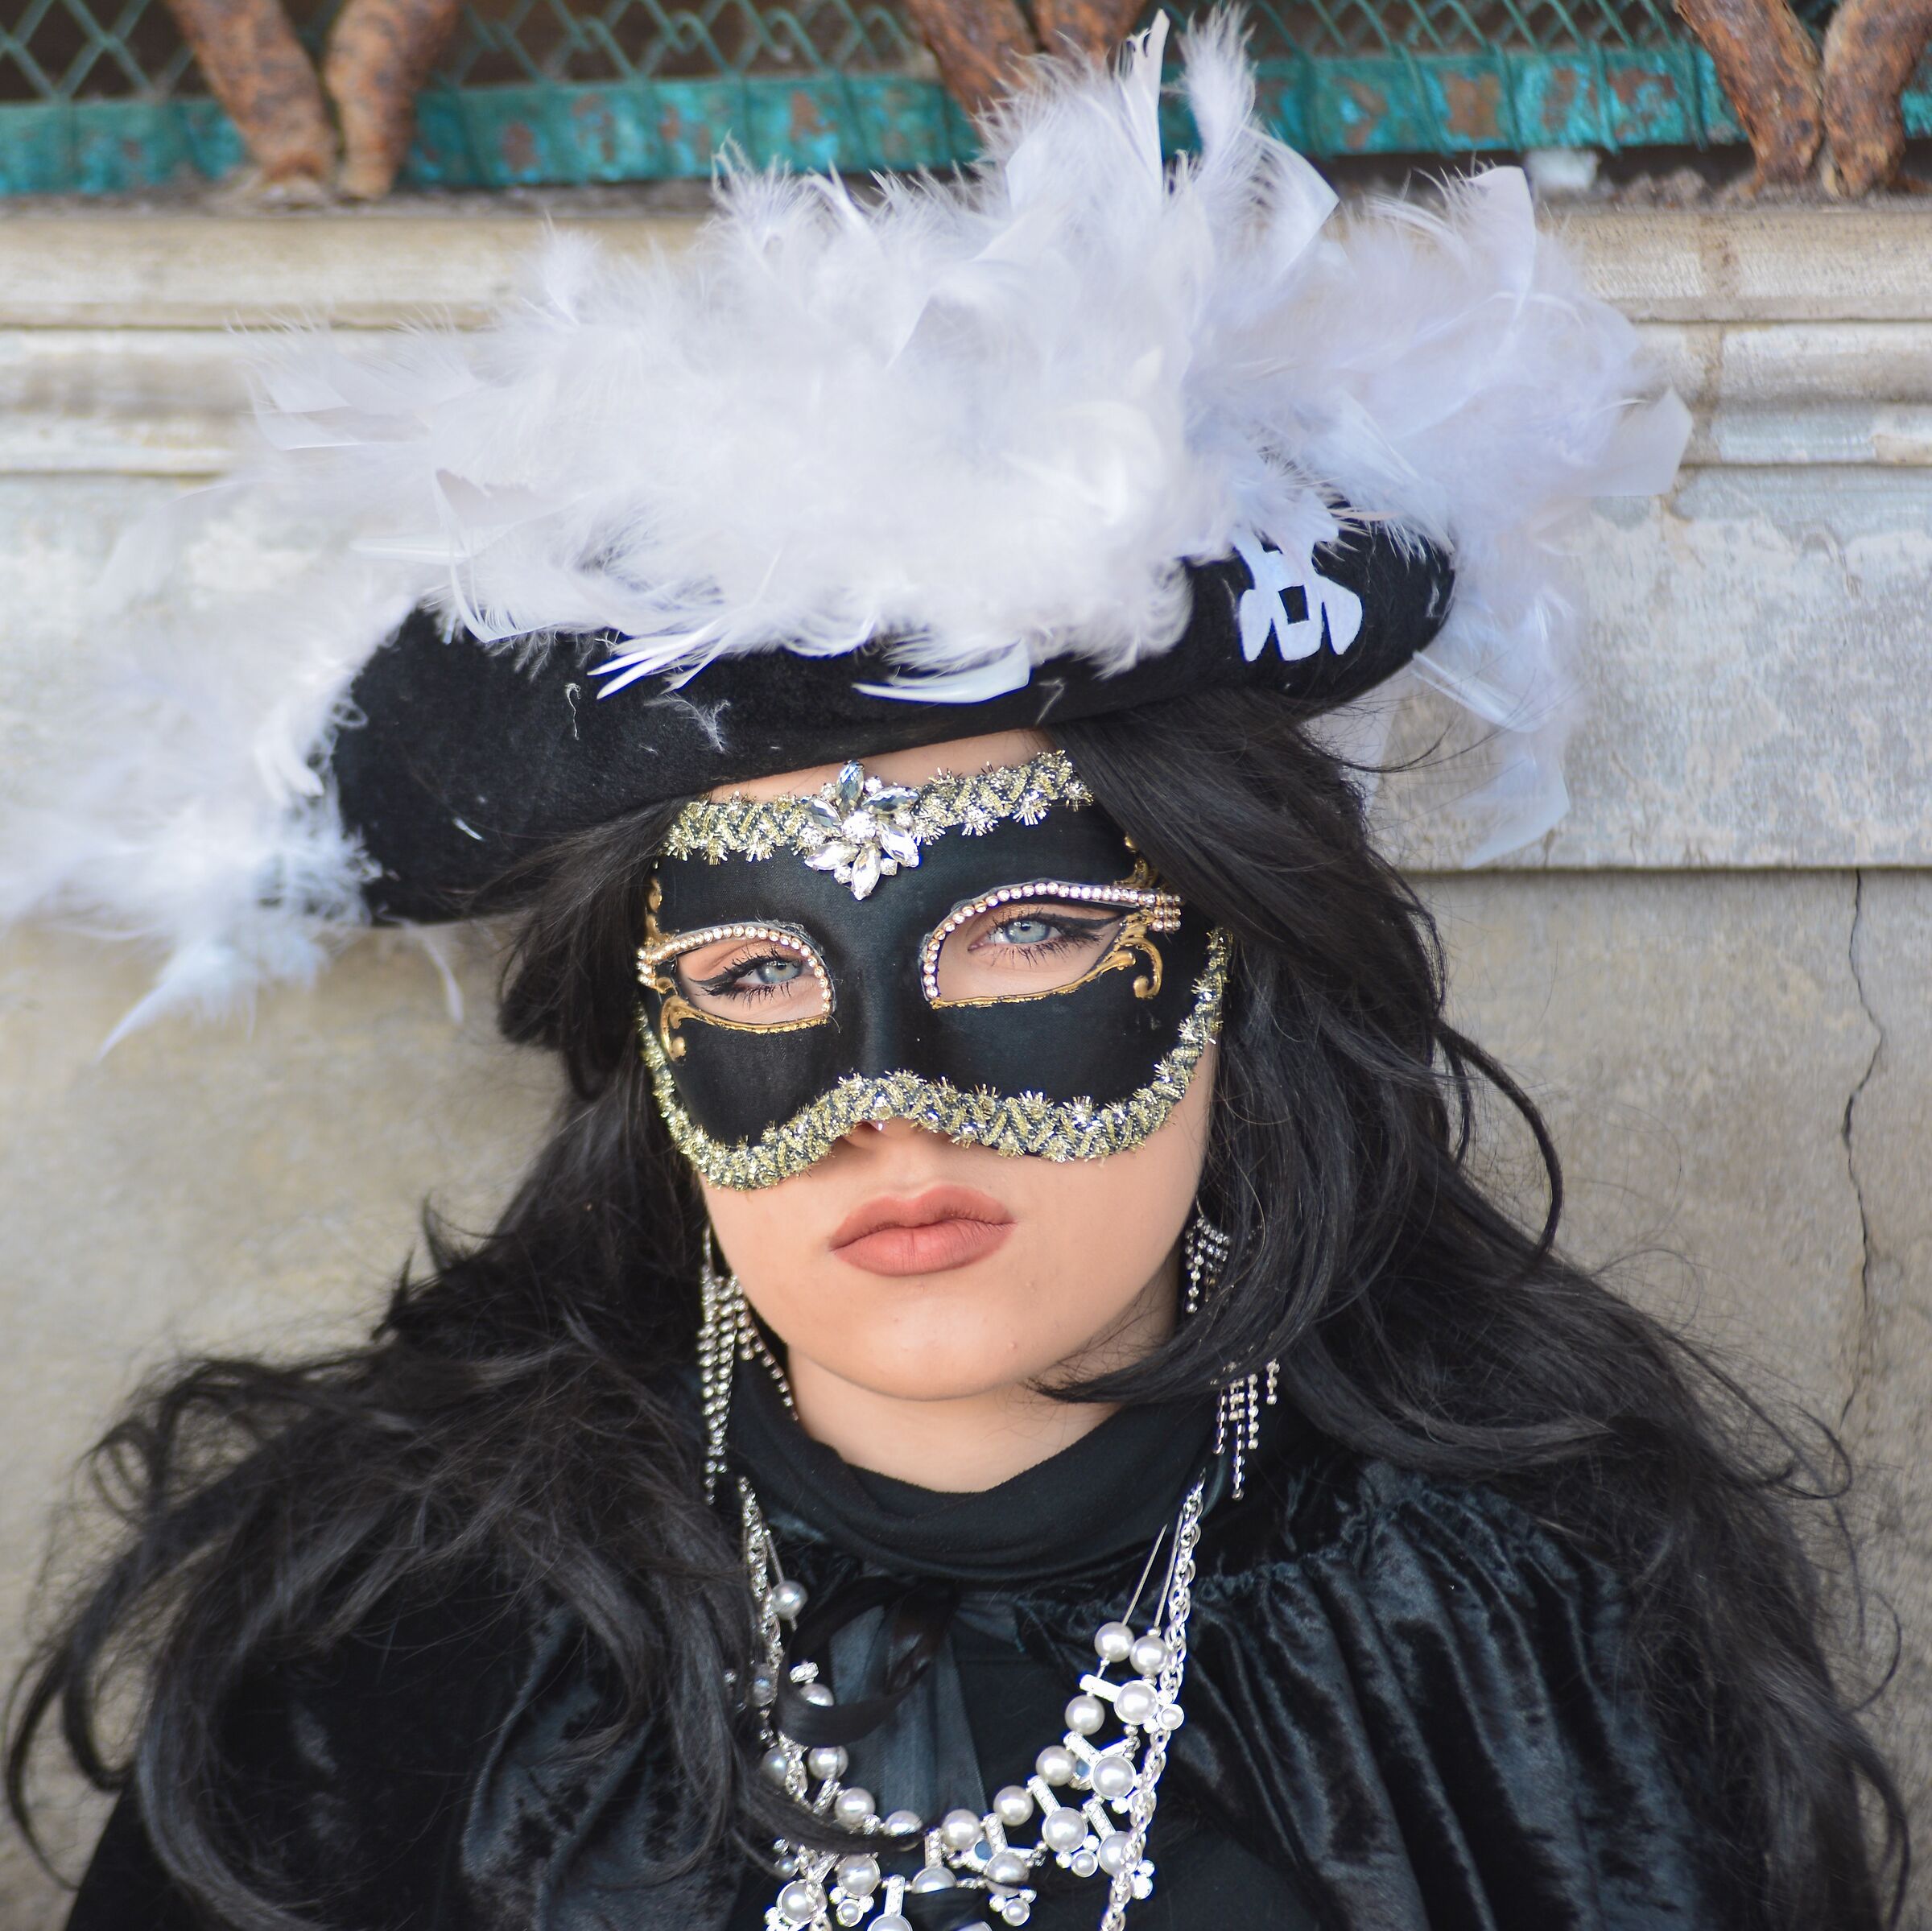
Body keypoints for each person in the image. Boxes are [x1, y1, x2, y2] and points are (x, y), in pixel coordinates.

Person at [1, 19, 1905, 1931]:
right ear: (645, 1048)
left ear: (1235, 964)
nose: (886, 1104)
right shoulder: (398, 1659)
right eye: (756, 973)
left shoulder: (1521, 1645)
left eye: (1028, 934)